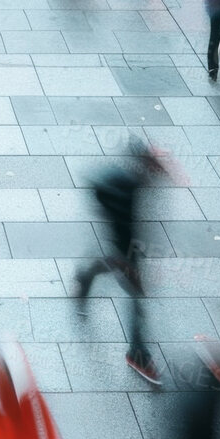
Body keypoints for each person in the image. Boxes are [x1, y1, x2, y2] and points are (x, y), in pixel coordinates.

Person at [74, 141, 167, 384]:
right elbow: (124, 232)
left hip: (120, 225)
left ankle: (84, 277)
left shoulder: (135, 179)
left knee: (114, 265)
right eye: (155, 165)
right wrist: (131, 267)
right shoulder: (127, 189)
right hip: (121, 231)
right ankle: (137, 353)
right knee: (135, 291)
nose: (160, 169)